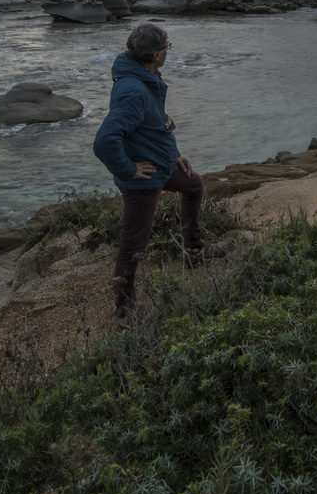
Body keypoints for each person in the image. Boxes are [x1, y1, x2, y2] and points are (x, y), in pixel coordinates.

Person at [93, 22, 224, 314]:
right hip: (144, 180)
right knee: (133, 246)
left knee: (194, 185)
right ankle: (125, 310)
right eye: (167, 46)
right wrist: (128, 170)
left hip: (162, 164)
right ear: (155, 54)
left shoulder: (145, 75)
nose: (168, 50)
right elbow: (104, 141)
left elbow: (157, 123)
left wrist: (174, 154)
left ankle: (194, 249)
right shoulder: (133, 90)